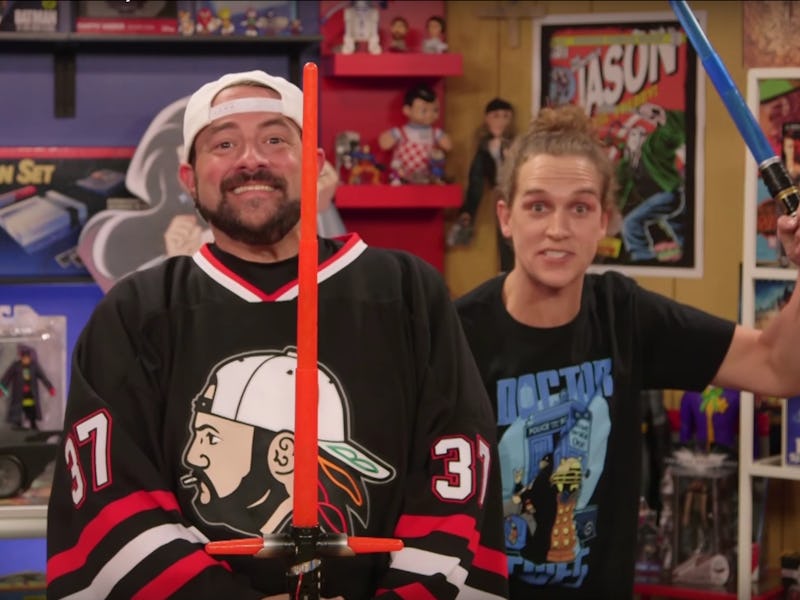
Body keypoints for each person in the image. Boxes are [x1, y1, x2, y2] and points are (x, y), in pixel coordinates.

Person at [46, 70, 508, 599]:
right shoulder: (136, 314)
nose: (251, 159)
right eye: (224, 144)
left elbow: (459, 476)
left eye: (274, 139)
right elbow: (109, 502)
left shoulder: (406, 294)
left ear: (314, 166)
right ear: (189, 178)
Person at [454, 103, 800, 598]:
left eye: (579, 208)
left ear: (604, 221)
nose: (558, 229)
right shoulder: (456, 334)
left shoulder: (624, 315)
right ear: (506, 217)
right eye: (538, 206)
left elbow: (777, 368)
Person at [448, 97, 516, 271]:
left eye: (506, 116)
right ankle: (506, 271)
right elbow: (476, 180)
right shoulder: (485, 148)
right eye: (496, 116)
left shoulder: (516, 144)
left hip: (515, 190)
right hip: (499, 190)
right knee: (504, 233)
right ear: (487, 119)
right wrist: (468, 210)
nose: (501, 121)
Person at [378, 83, 452, 184]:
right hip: (403, 175)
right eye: (424, 110)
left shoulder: (435, 133)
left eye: (435, 110)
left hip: (426, 177)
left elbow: (448, 146)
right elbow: (384, 144)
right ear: (407, 110)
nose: (430, 114)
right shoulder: (402, 132)